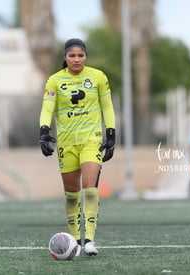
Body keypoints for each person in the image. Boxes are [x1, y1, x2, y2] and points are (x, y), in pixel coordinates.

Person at [39, 38, 116, 257]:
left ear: (86, 56)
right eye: (72, 55)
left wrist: (111, 133)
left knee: (90, 189)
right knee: (72, 195)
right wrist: (43, 131)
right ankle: (75, 240)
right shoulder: (54, 81)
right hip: (67, 143)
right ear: (65, 57)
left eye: (80, 55)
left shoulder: (98, 77)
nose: (76, 59)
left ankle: (89, 240)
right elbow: (47, 108)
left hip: (91, 139)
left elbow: (107, 107)